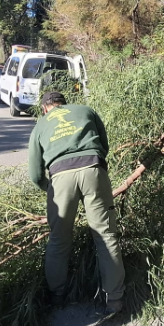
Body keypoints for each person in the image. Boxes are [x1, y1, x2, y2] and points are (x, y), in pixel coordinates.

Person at [27, 91, 125, 314]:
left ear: (45, 108)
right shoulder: (85, 110)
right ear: (65, 105)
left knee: (59, 241)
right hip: (93, 168)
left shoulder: (41, 125)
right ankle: (115, 300)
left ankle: (57, 295)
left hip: (60, 177)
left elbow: (35, 173)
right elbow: (104, 145)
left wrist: (51, 188)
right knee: (106, 236)